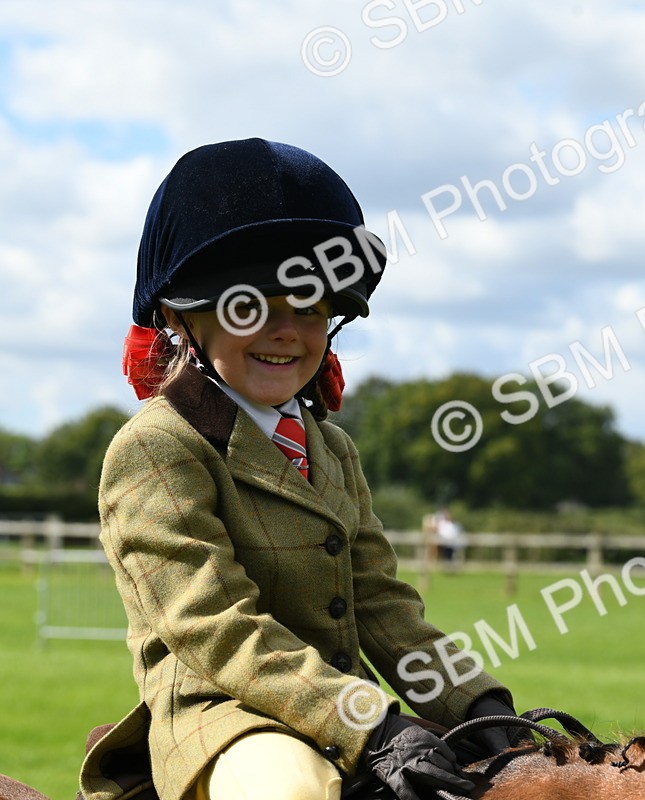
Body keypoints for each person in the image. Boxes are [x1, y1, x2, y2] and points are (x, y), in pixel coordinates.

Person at [81, 139, 520, 800]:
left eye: (310, 308)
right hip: (226, 723)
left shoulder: (332, 448)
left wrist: (479, 704)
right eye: (252, 305)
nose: (286, 329)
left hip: (354, 718)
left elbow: (381, 604)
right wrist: (372, 726)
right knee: (290, 790)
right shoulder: (156, 448)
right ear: (180, 317)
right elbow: (215, 628)